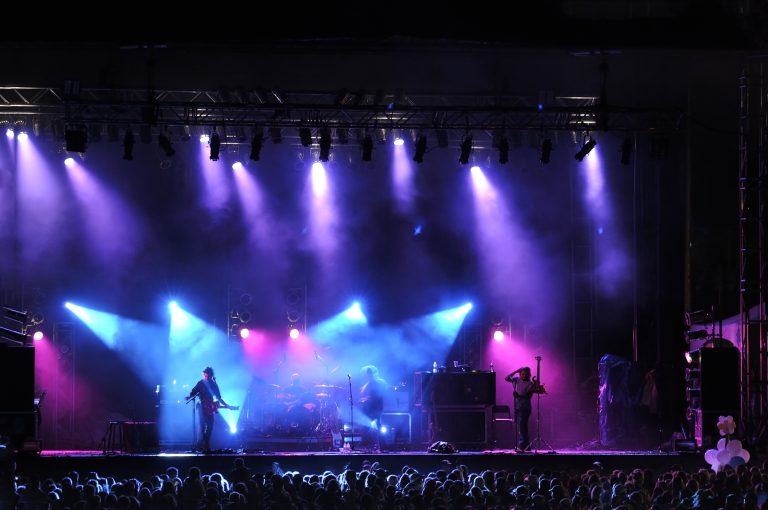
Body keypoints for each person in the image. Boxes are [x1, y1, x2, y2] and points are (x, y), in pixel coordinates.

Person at [187, 366, 230, 453]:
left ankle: (206, 444)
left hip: (210, 407)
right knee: (202, 426)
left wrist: (227, 405)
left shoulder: (214, 384)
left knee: (210, 427)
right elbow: (193, 392)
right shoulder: (201, 383)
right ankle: (203, 446)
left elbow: (219, 397)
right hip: (202, 407)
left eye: (207, 374)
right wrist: (189, 396)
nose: (205, 375)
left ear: (210, 374)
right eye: (204, 373)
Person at [504, 366, 545, 451]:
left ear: (529, 375)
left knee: (523, 427)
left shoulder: (530, 384)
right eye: (522, 374)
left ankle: (522, 445)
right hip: (517, 407)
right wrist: (515, 370)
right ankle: (526, 447)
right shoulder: (517, 380)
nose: (524, 375)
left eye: (526, 374)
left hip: (525, 408)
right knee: (520, 427)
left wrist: (518, 396)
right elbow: (507, 378)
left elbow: (528, 396)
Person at [359, 365, 387, 448]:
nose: (364, 376)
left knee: (375, 426)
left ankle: (380, 445)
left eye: (366, 374)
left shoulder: (376, 383)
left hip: (374, 409)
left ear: (369, 374)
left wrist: (366, 399)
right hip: (370, 408)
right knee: (370, 427)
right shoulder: (369, 383)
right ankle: (373, 444)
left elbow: (376, 397)